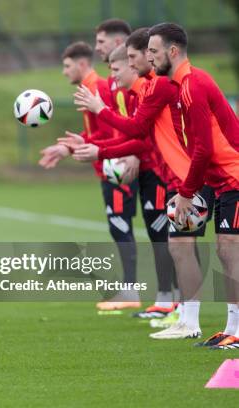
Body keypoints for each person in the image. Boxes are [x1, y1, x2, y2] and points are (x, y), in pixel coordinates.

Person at [73, 27, 217, 340]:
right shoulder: (151, 88)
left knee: (206, 245)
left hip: (190, 176)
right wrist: (100, 149)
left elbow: (138, 131)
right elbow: (142, 137)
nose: (147, 60)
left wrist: (101, 115)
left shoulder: (161, 86)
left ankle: (195, 318)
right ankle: (184, 317)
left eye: (144, 55)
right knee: (180, 244)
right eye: (144, 54)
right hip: (177, 176)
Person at [68, 44, 178, 321]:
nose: (99, 47)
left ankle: (175, 303)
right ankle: (169, 302)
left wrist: (107, 145)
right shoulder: (130, 90)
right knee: (163, 236)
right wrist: (91, 144)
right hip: (141, 166)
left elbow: (135, 133)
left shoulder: (136, 89)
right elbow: (129, 132)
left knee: (171, 237)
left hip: (156, 170)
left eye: (103, 41)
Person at [149, 22, 239, 348]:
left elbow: (204, 148)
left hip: (234, 174)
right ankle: (230, 329)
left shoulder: (192, 85)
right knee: (226, 249)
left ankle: (236, 330)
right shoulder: (184, 84)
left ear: (172, 52)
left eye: (154, 51)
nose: (150, 57)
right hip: (221, 179)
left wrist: (187, 193)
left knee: (229, 249)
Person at [39, 41, 141, 311]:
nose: (64, 71)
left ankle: (134, 291)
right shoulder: (92, 88)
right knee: (118, 226)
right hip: (108, 165)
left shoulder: (99, 88)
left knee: (121, 226)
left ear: (82, 64)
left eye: (67, 65)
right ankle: (134, 291)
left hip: (116, 167)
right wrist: (68, 147)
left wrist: (123, 158)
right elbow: (99, 134)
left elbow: (113, 132)